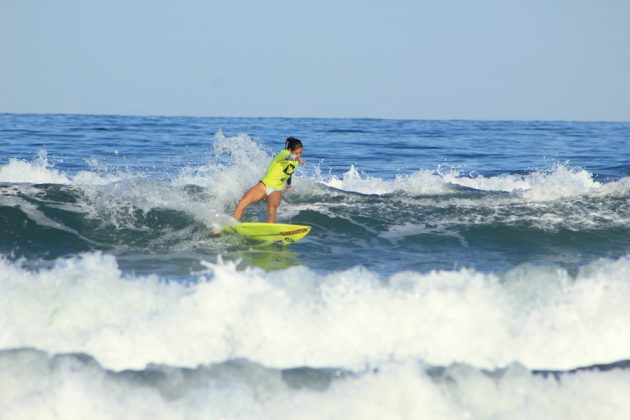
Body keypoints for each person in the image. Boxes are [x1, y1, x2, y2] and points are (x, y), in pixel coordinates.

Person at [232, 137, 305, 223]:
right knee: (242, 203)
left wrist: (289, 184)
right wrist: (297, 158)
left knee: (272, 209)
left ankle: (271, 230)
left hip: (276, 189)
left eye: (300, 153)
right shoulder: (283, 153)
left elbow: (289, 173)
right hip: (264, 185)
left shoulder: (295, 163)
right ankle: (231, 223)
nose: (299, 155)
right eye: (297, 153)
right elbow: (289, 156)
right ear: (289, 149)